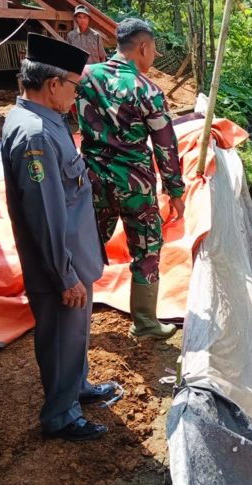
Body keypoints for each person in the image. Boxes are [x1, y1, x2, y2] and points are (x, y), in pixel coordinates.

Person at [1, 33, 116, 441]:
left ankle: (76, 387)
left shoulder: (46, 120)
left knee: (74, 336)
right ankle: (60, 415)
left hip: (73, 255)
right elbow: (46, 215)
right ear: (53, 84)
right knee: (61, 339)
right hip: (59, 264)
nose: (76, 94)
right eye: (74, 86)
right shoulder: (35, 134)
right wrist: (65, 276)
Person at [77, 18, 184, 340]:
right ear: (143, 47)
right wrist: (175, 191)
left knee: (85, 246)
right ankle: (145, 322)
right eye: (154, 50)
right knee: (146, 249)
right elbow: (165, 146)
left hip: (92, 180)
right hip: (135, 184)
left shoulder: (86, 77)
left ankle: (73, 318)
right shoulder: (147, 90)